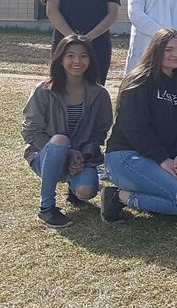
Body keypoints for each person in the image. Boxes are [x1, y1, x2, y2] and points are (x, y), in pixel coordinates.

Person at [103, 29, 177, 222]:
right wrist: (162, 159)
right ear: (156, 50)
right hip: (127, 155)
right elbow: (135, 129)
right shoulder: (138, 81)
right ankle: (117, 196)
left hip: (166, 152)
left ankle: (164, 187)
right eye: (168, 50)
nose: (176, 55)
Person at [22, 35, 113, 228]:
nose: (77, 61)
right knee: (60, 140)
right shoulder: (43, 91)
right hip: (45, 156)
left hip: (81, 157)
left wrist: (82, 155)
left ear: (90, 60)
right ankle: (46, 208)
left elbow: (99, 134)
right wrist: (68, 151)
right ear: (60, 59)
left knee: (86, 191)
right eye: (70, 55)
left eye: (83, 56)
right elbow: (31, 132)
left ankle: (74, 189)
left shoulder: (100, 94)